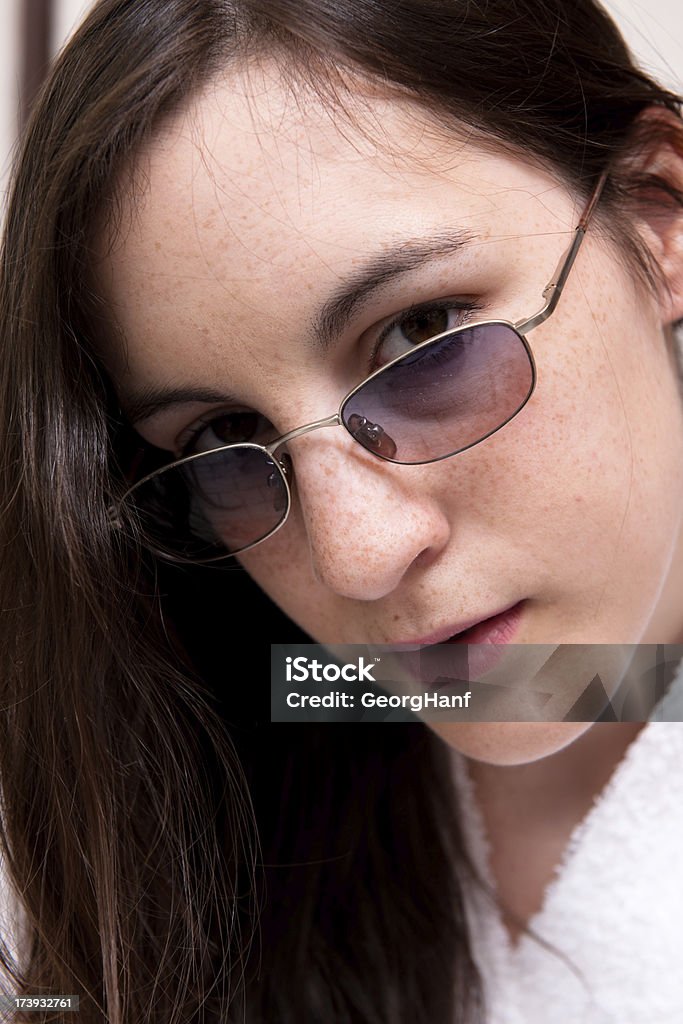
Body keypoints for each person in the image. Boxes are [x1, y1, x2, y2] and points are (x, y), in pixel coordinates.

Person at [0, 0, 682, 1021]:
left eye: (420, 335)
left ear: (655, 209)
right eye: (220, 437)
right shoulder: (155, 840)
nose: (356, 555)